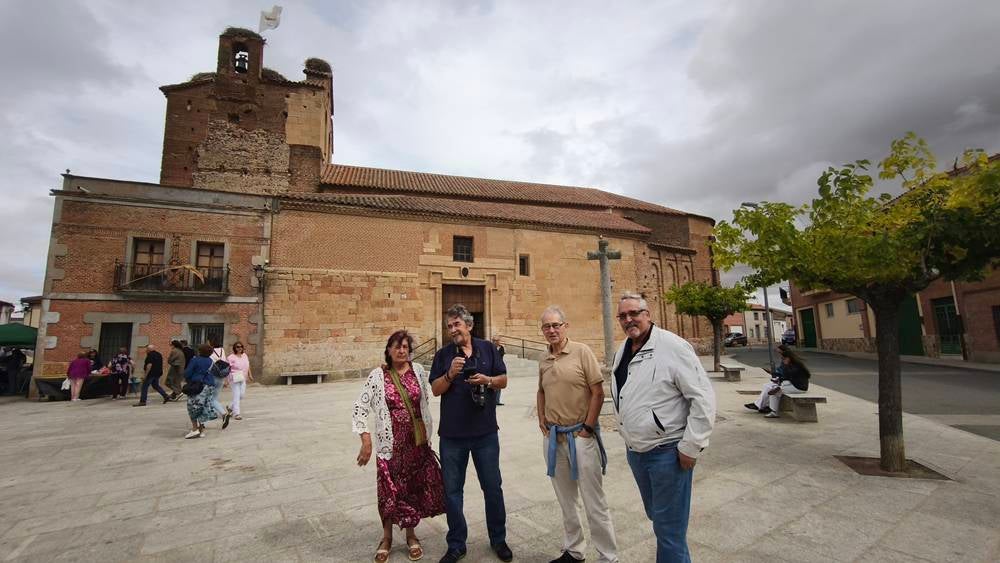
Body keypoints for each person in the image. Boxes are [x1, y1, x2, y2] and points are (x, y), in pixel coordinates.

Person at [611, 292, 716, 563]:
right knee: (661, 520)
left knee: (669, 529)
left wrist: (691, 446)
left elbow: (703, 398)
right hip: (637, 452)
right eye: (623, 315)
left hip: (667, 453)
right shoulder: (623, 350)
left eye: (634, 313)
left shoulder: (672, 346)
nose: (628, 319)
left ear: (648, 314)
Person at [429, 304, 512, 563]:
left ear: (469, 325)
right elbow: (435, 389)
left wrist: (487, 380)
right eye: (449, 326)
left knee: (493, 488)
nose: (453, 330)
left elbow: (503, 380)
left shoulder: (487, 348)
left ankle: (498, 539)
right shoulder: (443, 355)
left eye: (457, 325)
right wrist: (450, 374)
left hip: (485, 433)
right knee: (453, 491)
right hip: (452, 436)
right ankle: (456, 544)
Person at [353, 330, 445, 563]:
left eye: (405, 346)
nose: (401, 350)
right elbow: (360, 407)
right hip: (390, 446)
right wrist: (366, 439)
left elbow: (427, 401)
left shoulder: (419, 372)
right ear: (389, 350)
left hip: (416, 444)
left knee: (412, 489)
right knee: (388, 491)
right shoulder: (378, 376)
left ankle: (412, 535)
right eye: (397, 346)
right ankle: (386, 538)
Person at [537, 306, 618, 563]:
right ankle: (574, 550)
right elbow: (541, 391)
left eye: (555, 325)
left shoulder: (582, 352)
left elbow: (598, 392)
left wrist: (588, 428)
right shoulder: (544, 358)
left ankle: (608, 557)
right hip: (553, 438)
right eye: (546, 327)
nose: (551, 330)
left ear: (565, 326)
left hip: (580, 437)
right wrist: (541, 418)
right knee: (566, 501)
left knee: (594, 502)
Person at [745, 345, 810, 418]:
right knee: (772, 389)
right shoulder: (792, 364)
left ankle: (773, 410)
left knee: (773, 391)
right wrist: (778, 379)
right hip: (793, 384)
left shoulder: (795, 366)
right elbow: (787, 377)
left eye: (784, 359)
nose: (783, 360)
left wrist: (779, 379)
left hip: (798, 388)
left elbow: (787, 376)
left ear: (788, 358)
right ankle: (770, 408)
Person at [184, 344, 218, 438]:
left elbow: (187, 373)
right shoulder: (211, 361)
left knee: (193, 407)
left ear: (200, 351)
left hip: (198, 386)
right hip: (209, 386)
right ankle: (201, 430)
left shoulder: (195, 360)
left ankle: (195, 429)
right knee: (203, 407)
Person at [208, 338, 232, 427]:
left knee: (211, 399)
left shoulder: (210, 351)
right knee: (215, 397)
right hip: (221, 377)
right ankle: (213, 413)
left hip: (213, 376)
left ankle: (223, 414)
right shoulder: (222, 350)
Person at [226, 342, 254, 420]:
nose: (239, 348)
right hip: (234, 378)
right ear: (234, 348)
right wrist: (226, 380)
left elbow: (248, 366)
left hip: (242, 378)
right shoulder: (231, 357)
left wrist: (250, 375)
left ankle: (230, 407)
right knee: (236, 395)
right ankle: (237, 414)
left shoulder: (244, 355)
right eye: (237, 347)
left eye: (241, 346)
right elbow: (227, 369)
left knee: (241, 395)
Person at [492, 337, 505, 406]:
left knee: (499, 385)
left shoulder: (501, 348)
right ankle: (493, 400)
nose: (497, 342)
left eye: (498, 340)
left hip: (499, 368)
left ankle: (497, 400)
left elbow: (501, 356)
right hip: (493, 368)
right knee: (493, 385)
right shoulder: (491, 347)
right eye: (496, 341)